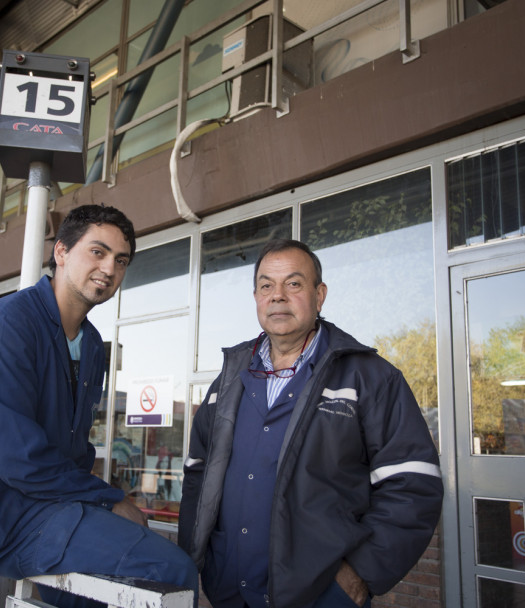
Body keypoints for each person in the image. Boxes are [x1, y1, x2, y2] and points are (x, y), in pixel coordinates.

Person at [0, 204, 198, 607]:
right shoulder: (4, 326)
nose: (109, 268)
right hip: (4, 518)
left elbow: (75, 448)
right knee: (172, 572)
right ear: (61, 252)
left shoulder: (92, 344)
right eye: (97, 252)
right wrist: (110, 499)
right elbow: (18, 459)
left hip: (60, 509)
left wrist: (101, 500)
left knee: (114, 579)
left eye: (121, 260)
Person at [179, 239, 443, 608]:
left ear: (319, 295)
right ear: (255, 296)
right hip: (229, 591)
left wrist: (361, 574)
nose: (278, 296)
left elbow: (413, 483)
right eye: (267, 285)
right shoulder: (228, 382)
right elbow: (198, 473)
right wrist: (199, 558)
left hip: (322, 596)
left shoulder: (370, 378)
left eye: (294, 283)